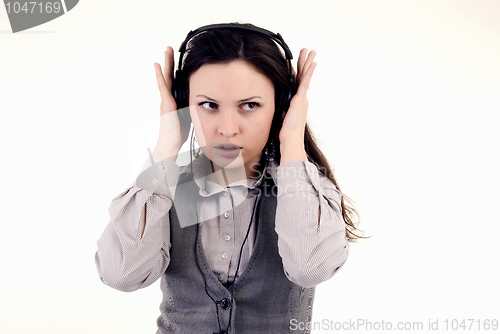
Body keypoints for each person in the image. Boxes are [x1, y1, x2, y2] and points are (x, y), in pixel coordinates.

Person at [95, 22, 361, 334]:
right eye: (208, 105)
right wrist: (166, 147)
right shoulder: (163, 189)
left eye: (250, 105)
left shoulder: (307, 190)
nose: (227, 129)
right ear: (185, 102)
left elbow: (309, 267)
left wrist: (292, 142)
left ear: (282, 106)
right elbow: (122, 275)